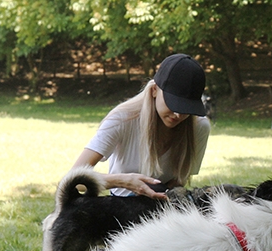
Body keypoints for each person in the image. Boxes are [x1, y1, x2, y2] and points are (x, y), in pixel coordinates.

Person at [72, 53, 211, 199]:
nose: (178, 114)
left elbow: (179, 181)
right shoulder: (122, 119)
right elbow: (74, 180)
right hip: (120, 204)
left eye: (186, 108)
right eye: (173, 104)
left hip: (163, 206)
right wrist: (124, 181)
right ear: (154, 91)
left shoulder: (199, 127)